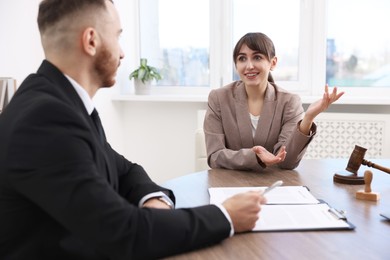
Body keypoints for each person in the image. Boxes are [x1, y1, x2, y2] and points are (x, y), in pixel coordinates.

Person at [0, 1, 266, 259]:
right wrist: (226, 216)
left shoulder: (62, 102)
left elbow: (125, 170)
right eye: (117, 36)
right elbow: (123, 232)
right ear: (91, 41)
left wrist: (154, 199)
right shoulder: (45, 118)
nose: (122, 53)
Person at [204, 32, 344, 172]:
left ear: (273, 62)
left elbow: (287, 162)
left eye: (257, 57)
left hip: (272, 184)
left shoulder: (289, 102)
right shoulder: (218, 98)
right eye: (242, 59)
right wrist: (255, 157)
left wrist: (308, 119)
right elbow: (215, 157)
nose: (249, 66)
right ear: (236, 65)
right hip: (228, 184)